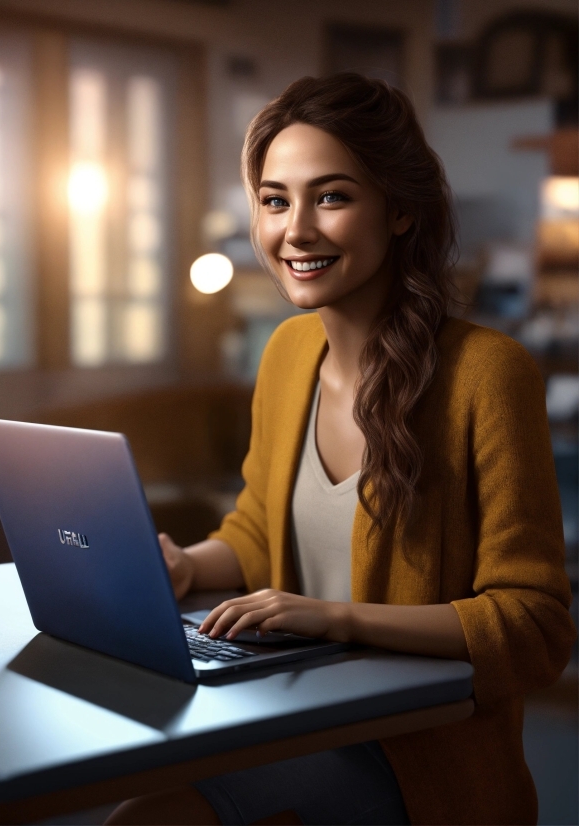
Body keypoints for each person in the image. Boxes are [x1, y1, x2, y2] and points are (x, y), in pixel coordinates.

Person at [107, 73, 575, 826]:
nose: (295, 230)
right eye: (274, 199)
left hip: (418, 754)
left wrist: (338, 618)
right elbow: (260, 529)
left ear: (398, 209)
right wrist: (189, 566)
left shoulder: (488, 375)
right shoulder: (289, 353)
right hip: (290, 713)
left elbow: (534, 629)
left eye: (330, 196)